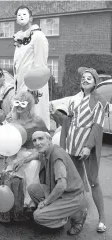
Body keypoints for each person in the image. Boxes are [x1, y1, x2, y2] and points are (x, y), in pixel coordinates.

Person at [50, 67, 108, 233]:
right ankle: (79, 214)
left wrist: (88, 147)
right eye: (84, 77)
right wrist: (55, 115)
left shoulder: (99, 101)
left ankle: (102, 218)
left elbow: (97, 127)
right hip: (72, 147)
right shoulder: (74, 100)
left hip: (86, 149)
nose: (85, 79)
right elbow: (68, 123)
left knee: (94, 181)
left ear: (95, 82)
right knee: (76, 183)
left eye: (89, 78)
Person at [15, 129, 87, 235]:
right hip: (62, 193)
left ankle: (76, 216)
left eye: (40, 138)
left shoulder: (57, 156)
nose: (37, 143)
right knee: (33, 189)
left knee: (38, 216)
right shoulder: (48, 150)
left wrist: (45, 202)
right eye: (34, 140)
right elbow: (37, 155)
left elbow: (62, 185)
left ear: (49, 140)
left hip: (71, 196)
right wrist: (23, 161)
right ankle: (59, 212)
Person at [5, 91, 47, 208]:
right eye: (16, 102)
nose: (18, 106)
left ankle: (30, 204)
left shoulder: (37, 121)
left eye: (22, 103)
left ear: (29, 105)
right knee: (9, 175)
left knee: (33, 166)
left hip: (34, 155)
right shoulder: (12, 121)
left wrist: (27, 158)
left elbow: (47, 144)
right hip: (17, 154)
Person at [13, 5, 50, 129]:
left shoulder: (38, 36)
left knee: (34, 118)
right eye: (19, 15)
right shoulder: (19, 38)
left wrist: (34, 88)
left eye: (24, 14)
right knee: (21, 118)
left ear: (31, 18)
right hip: (20, 85)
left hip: (33, 86)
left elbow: (41, 65)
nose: (21, 17)